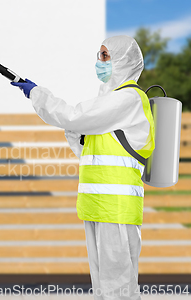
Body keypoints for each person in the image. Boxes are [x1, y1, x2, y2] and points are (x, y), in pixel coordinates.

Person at [11, 35, 155, 300]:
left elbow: (74, 116)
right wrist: (71, 126)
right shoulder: (108, 106)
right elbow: (83, 144)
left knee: (119, 288)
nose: (99, 62)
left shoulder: (128, 100)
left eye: (105, 55)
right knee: (103, 287)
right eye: (99, 55)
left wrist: (37, 94)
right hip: (96, 206)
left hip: (117, 210)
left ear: (123, 61)